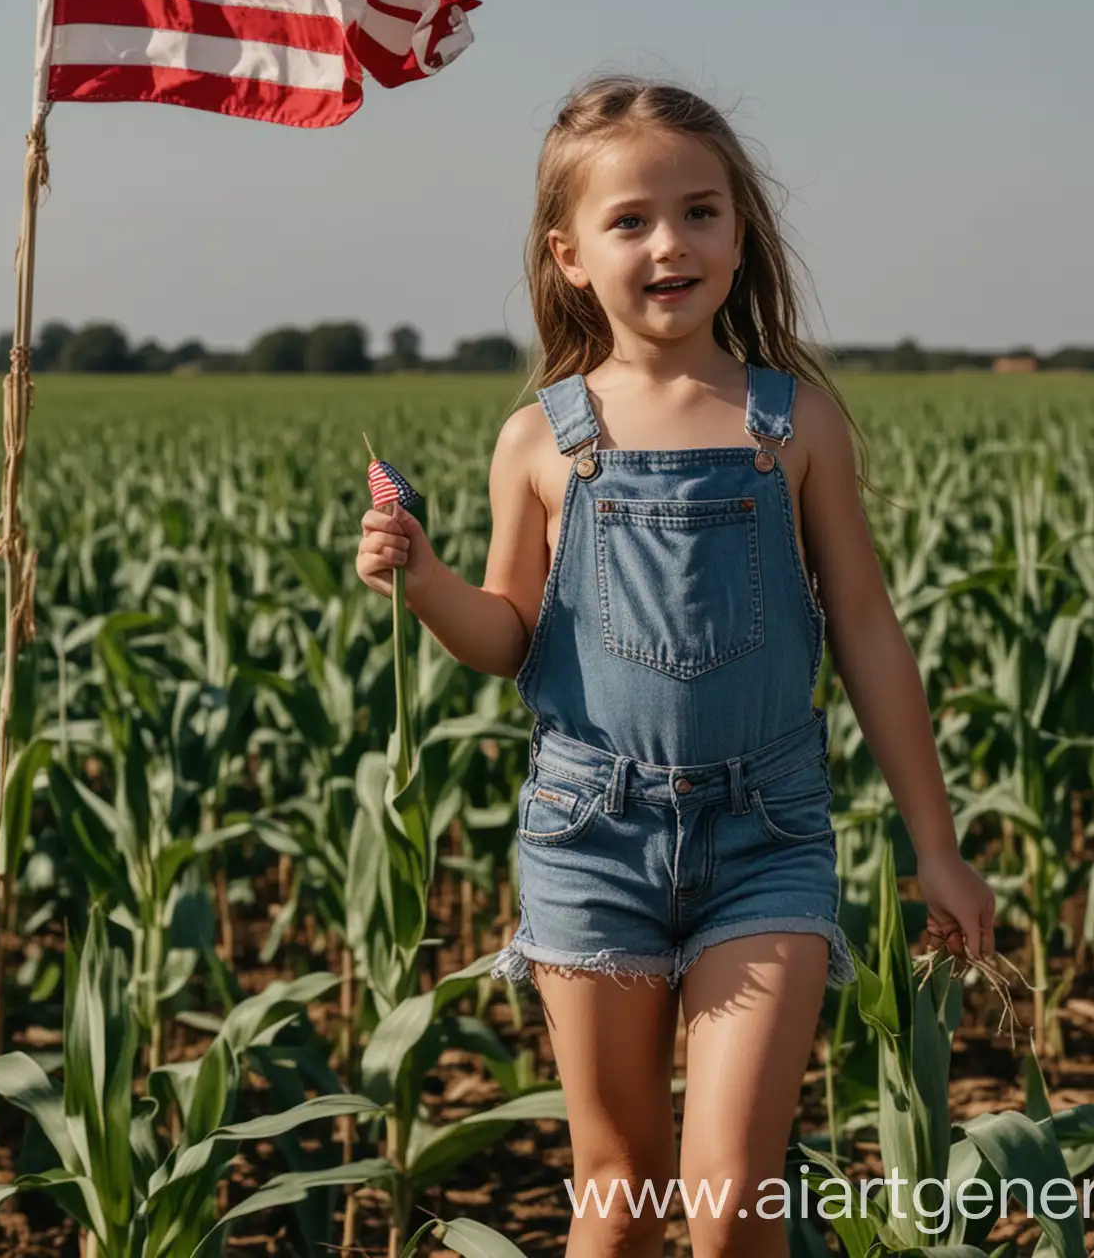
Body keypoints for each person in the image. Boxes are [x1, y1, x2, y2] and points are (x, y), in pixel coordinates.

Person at [355, 76, 996, 1256]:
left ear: (740, 236)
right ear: (568, 256)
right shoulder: (543, 436)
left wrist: (937, 846)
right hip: (590, 833)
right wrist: (428, 585)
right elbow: (510, 635)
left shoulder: (794, 423)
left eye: (701, 212)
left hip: (771, 832)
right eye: (631, 220)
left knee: (733, 1180)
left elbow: (864, 627)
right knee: (621, 1176)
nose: (671, 242)